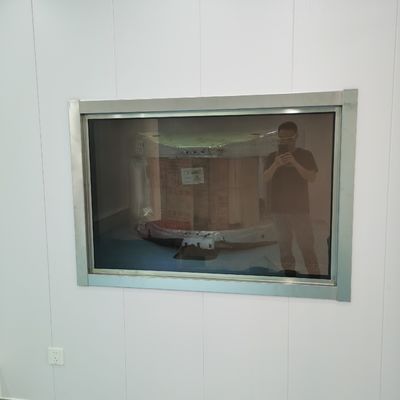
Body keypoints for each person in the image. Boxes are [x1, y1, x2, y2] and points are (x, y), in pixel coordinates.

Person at [264, 121, 320, 276]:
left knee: (307, 247)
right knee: (284, 249)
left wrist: (295, 163)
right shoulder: (272, 157)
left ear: (296, 137)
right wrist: (275, 164)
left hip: (300, 209)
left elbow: (311, 177)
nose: (285, 142)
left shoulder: (305, 155)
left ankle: (316, 278)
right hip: (278, 211)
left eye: (289, 139)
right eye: (281, 139)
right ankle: (289, 278)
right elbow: (265, 178)